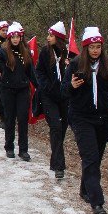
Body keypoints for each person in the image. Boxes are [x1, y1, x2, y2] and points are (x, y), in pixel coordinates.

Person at [62, 26, 108, 214]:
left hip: (103, 119)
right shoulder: (75, 64)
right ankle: (97, 203)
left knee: (95, 158)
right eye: (92, 47)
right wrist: (71, 86)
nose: (95, 50)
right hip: (81, 117)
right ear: (86, 48)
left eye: (98, 46)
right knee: (91, 157)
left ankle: (85, 188)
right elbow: (63, 91)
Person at [0, 22, 37, 161]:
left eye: (17, 37)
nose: (15, 39)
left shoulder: (25, 51)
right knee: (10, 118)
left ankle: (23, 150)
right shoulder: (3, 52)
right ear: (9, 38)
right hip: (7, 90)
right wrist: (0, 68)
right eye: (13, 37)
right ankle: (9, 147)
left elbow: (31, 72)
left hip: (23, 90)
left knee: (23, 119)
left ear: (20, 37)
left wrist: (39, 86)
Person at [35, 21, 69, 179]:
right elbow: (39, 72)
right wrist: (46, 87)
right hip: (48, 96)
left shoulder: (69, 54)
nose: (48, 38)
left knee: (61, 128)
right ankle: (60, 166)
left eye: (51, 35)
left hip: (65, 97)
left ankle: (54, 159)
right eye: (48, 35)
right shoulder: (45, 52)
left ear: (59, 38)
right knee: (55, 126)